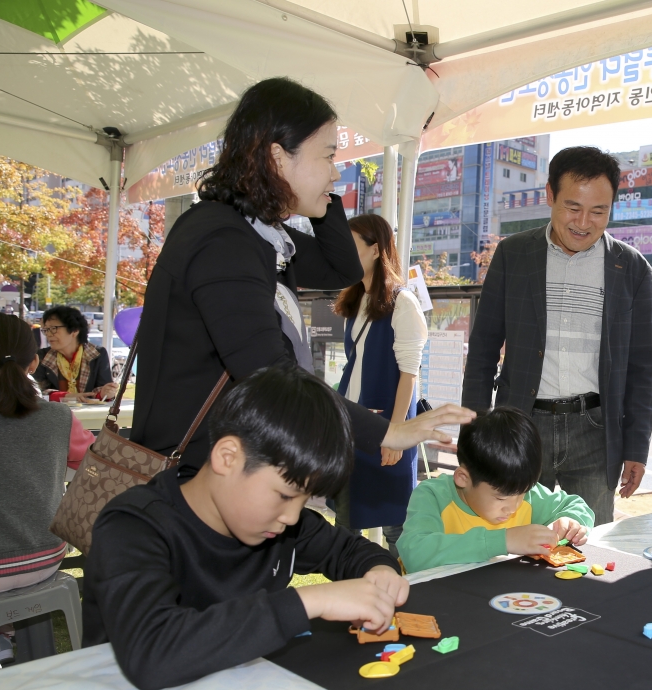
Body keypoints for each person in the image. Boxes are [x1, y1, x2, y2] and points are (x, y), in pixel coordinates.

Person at [129, 77, 470, 471]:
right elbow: (273, 377)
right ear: (277, 157)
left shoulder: (259, 231)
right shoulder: (223, 240)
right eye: (327, 156)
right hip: (196, 481)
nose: (336, 173)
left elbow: (341, 267)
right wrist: (387, 431)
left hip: (232, 470)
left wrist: (324, 200)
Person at [82, 365, 409, 690]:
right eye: (285, 495)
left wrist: (380, 570)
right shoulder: (133, 527)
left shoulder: (279, 526)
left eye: (305, 500)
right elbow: (151, 653)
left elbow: (351, 551)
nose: (293, 518)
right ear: (228, 457)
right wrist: (311, 601)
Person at [461, 146, 652, 525]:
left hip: (596, 432)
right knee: (511, 541)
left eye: (599, 211)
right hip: (521, 425)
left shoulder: (632, 268)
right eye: (573, 207)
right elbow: (484, 347)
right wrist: (476, 431)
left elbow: (643, 367)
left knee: (588, 546)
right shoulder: (514, 255)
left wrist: (637, 448)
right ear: (549, 195)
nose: (583, 222)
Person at [333, 213, 428, 554]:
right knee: (345, 528)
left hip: (386, 428)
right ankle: (352, 600)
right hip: (352, 428)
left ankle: (408, 599)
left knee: (397, 530)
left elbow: (409, 374)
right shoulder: (357, 298)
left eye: (351, 245)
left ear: (375, 250)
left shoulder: (402, 302)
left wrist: (397, 436)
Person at [400, 407, 594, 574]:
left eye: (522, 493)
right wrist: (503, 541)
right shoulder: (432, 497)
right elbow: (414, 554)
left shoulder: (522, 492)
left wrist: (571, 522)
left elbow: (576, 506)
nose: (513, 507)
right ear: (463, 479)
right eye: (500, 498)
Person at [0, 313, 93, 597]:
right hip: (46, 556)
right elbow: (92, 461)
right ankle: (4, 632)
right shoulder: (59, 417)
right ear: (33, 363)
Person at [33, 305, 117, 400]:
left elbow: (104, 392)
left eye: (53, 328)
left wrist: (106, 393)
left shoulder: (97, 354)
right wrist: (68, 397)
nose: (48, 334)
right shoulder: (41, 356)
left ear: (74, 330)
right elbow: (37, 392)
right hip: (55, 413)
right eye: (46, 329)